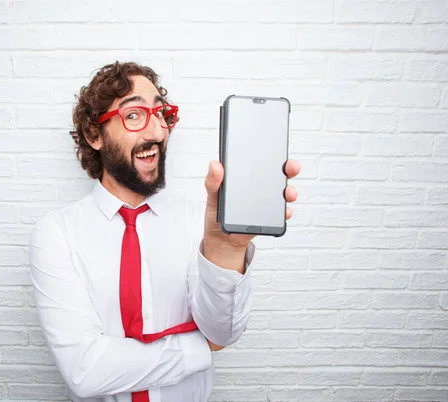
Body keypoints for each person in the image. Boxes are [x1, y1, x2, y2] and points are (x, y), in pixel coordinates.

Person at [29, 61, 300, 402]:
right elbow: (85, 370)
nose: (157, 132)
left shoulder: (197, 223)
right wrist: (198, 348)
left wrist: (226, 250)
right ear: (93, 135)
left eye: (161, 114)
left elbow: (223, 332)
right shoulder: (57, 235)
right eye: (134, 115)